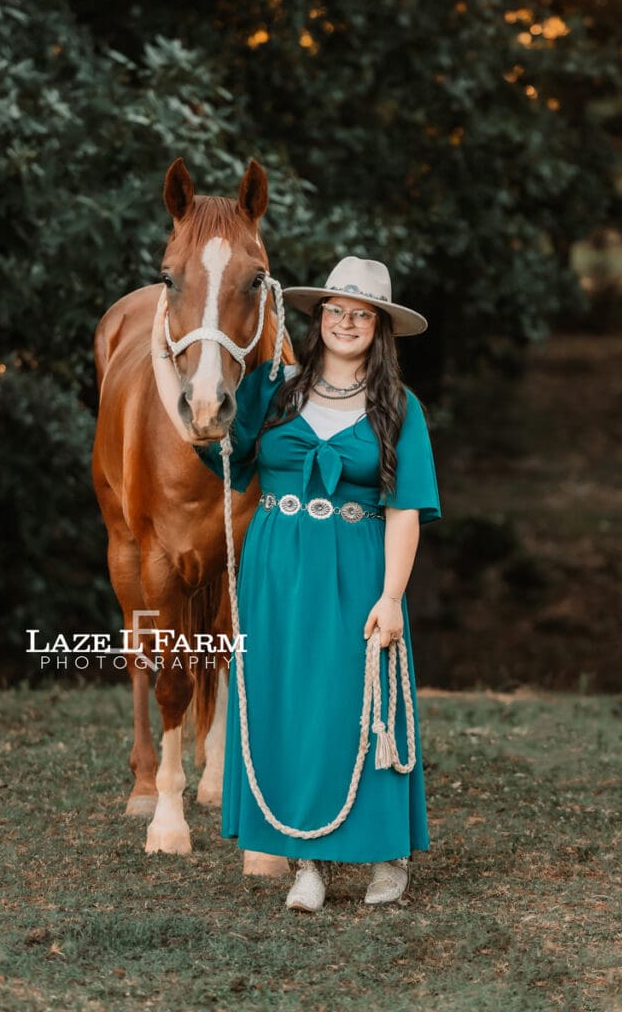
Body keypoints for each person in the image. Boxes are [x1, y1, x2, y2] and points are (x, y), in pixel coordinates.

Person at [171, 255, 441, 912]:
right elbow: (212, 438)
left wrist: (389, 597)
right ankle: (306, 861)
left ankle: (384, 854)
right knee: (283, 702)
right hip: (274, 566)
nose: (346, 322)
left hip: (357, 566)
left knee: (356, 702)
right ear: (318, 318)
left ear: (378, 329)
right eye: (335, 310)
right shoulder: (274, 388)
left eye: (361, 314)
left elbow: (404, 510)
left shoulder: (399, 407)